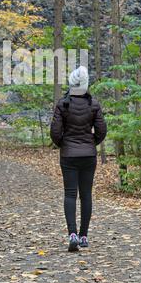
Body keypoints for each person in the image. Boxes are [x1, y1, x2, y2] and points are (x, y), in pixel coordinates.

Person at [50, 66, 107, 252]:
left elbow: (55, 132)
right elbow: (101, 131)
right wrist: (91, 143)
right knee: (86, 195)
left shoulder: (63, 104)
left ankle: (72, 234)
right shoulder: (94, 104)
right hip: (88, 155)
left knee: (70, 194)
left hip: (68, 156)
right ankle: (84, 236)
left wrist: (64, 145)